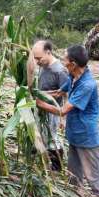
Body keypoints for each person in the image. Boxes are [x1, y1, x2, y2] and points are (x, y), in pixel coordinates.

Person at [47, 45, 99, 197]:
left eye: (64, 59)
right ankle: (75, 193)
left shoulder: (87, 84)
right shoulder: (73, 78)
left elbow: (63, 110)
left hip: (86, 134)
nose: (62, 62)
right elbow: (58, 93)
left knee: (92, 170)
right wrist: (35, 93)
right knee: (74, 167)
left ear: (73, 63)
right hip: (74, 131)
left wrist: (40, 104)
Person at [32, 40, 68, 171]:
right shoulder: (44, 65)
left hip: (52, 110)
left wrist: (63, 118)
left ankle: (57, 166)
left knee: (52, 137)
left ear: (48, 52)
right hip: (41, 107)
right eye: (35, 58)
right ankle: (38, 154)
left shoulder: (60, 70)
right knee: (41, 133)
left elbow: (65, 93)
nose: (37, 62)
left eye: (39, 58)